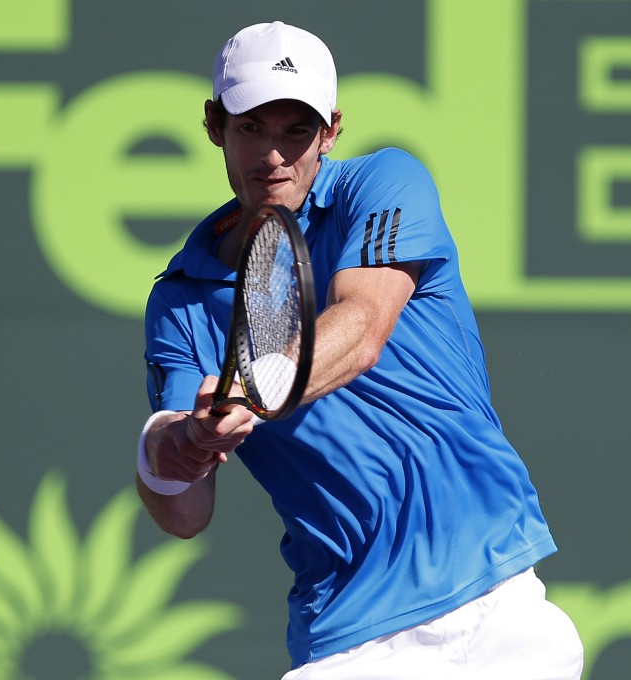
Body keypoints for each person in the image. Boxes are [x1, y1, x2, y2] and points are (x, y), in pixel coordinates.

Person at [135, 20, 584, 680]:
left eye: (296, 131)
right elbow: (184, 511)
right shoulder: (180, 300)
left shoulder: (384, 184)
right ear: (214, 124)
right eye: (252, 127)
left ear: (331, 130)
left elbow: (363, 328)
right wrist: (178, 446)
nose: (274, 154)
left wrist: (252, 394)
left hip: (500, 613)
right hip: (347, 641)